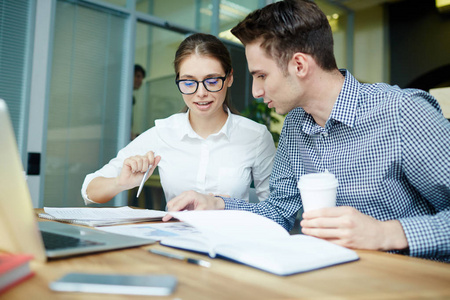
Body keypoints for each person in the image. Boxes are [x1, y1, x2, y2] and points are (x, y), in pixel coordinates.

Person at [164, 0, 450, 262]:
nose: (256, 91)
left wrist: (386, 234)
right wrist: (215, 204)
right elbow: (278, 212)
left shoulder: (402, 113)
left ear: (299, 65)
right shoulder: (295, 125)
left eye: (262, 75)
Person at [81, 33, 276, 206]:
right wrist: (119, 183)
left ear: (229, 78)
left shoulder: (255, 137)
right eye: (189, 82)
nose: (201, 93)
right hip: (173, 242)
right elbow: (89, 190)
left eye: (212, 81)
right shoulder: (164, 132)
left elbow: (276, 209)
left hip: (231, 244)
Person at [131, 64, 146, 139]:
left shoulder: (131, 97)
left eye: (142, 78)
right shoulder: (122, 98)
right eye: (138, 76)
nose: (140, 81)